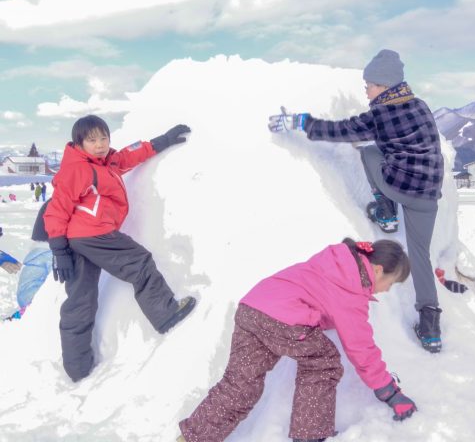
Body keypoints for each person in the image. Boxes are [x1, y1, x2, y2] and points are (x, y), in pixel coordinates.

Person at [268, 49, 444, 354]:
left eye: (369, 85)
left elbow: (340, 130)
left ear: (384, 85)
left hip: (400, 187)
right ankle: (431, 328)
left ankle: (386, 212)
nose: (366, 90)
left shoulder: (380, 115)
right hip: (428, 194)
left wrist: (300, 121)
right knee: (420, 255)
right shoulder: (419, 105)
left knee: (370, 152)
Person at [178, 238, 415, 442]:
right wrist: (389, 392)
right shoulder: (352, 289)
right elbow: (361, 349)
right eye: (391, 283)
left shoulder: (337, 262)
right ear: (378, 270)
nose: (386, 290)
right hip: (282, 319)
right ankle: (309, 435)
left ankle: (193, 437)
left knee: (240, 385)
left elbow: (317, 296)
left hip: (252, 308)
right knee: (323, 363)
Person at [43, 114, 196, 382]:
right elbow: (56, 209)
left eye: (104, 138)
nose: (100, 144)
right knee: (139, 262)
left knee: (81, 300)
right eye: (92, 140)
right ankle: (165, 313)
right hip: (93, 234)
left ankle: (78, 368)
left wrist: (163, 141)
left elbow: (127, 156)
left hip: (80, 239)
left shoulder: (106, 162)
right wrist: (59, 251)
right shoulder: (77, 169)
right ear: (79, 143)